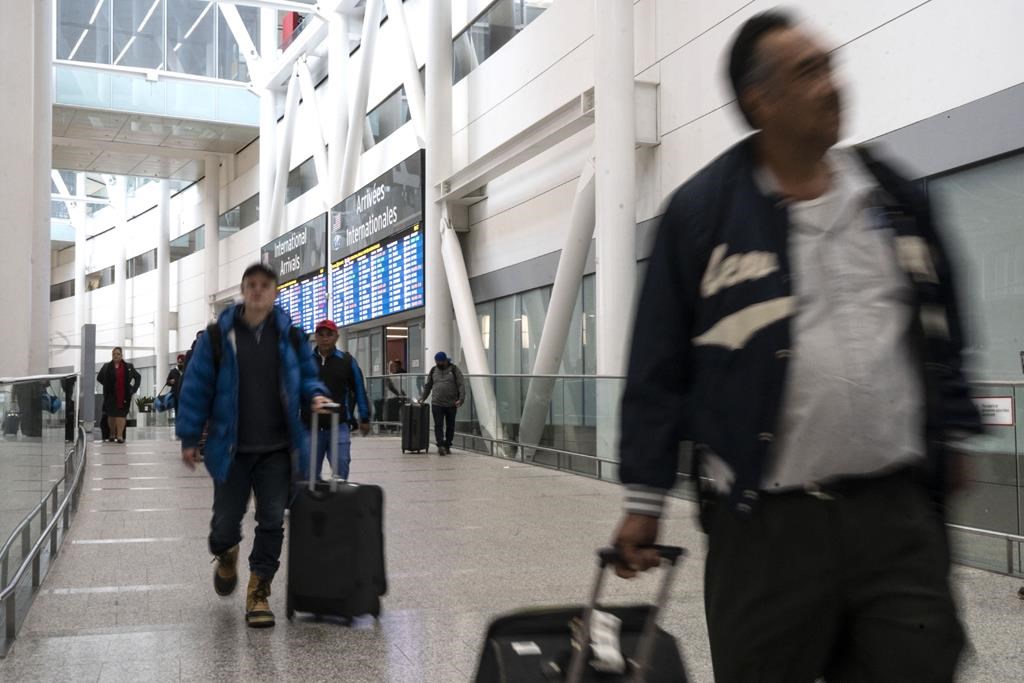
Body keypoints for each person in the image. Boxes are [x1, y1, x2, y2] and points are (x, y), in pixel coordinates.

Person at [610, 10, 982, 682]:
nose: (833, 84)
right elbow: (657, 362)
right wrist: (645, 496)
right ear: (761, 100)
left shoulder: (892, 197)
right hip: (766, 529)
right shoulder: (703, 215)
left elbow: (943, 317)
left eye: (830, 65)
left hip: (894, 515)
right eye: (808, 71)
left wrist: (950, 427)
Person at [176, 263, 330, 629]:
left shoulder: (290, 336)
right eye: (252, 285)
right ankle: (225, 554)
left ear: (275, 292)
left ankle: (259, 591)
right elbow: (197, 389)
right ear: (243, 291)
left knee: (273, 520)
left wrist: (316, 395)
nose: (258, 290)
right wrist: (189, 437)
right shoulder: (218, 337)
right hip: (231, 449)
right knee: (225, 523)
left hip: (278, 449)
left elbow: (308, 377)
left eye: (265, 285)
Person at [303, 319, 371, 482]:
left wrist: (364, 417)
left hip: (338, 425)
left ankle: (338, 504)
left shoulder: (347, 361)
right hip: (309, 427)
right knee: (308, 474)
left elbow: (359, 389)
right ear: (316, 337)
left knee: (341, 467)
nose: (325, 338)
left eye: (329, 334)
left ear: (336, 336)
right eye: (321, 334)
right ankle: (312, 505)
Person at [418, 352, 465, 456]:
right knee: (438, 425)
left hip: (451, 403)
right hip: (437, 403)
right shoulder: (433, 370)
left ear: (445, 361)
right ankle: (440, 446)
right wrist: (422, 398)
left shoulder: (454, 369)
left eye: (440, 362)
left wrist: (461, 399)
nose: (438, 363)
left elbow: (461, 384)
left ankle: (447, 445)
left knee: (450, 426)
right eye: (437, 362)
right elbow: (428, 385)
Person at [97, 347, 141, 444]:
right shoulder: (106, 366)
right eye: (114, 354)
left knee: (121, 415)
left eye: (118, 354)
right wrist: (107, 385)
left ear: (121, 355)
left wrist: (133, 389)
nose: (115, 356)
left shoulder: (128, 366)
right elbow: (99, 378)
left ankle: (120, 436)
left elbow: (138, 377)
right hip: (110, 395)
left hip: (124, 395)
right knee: (111, 415)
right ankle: (112, 434)